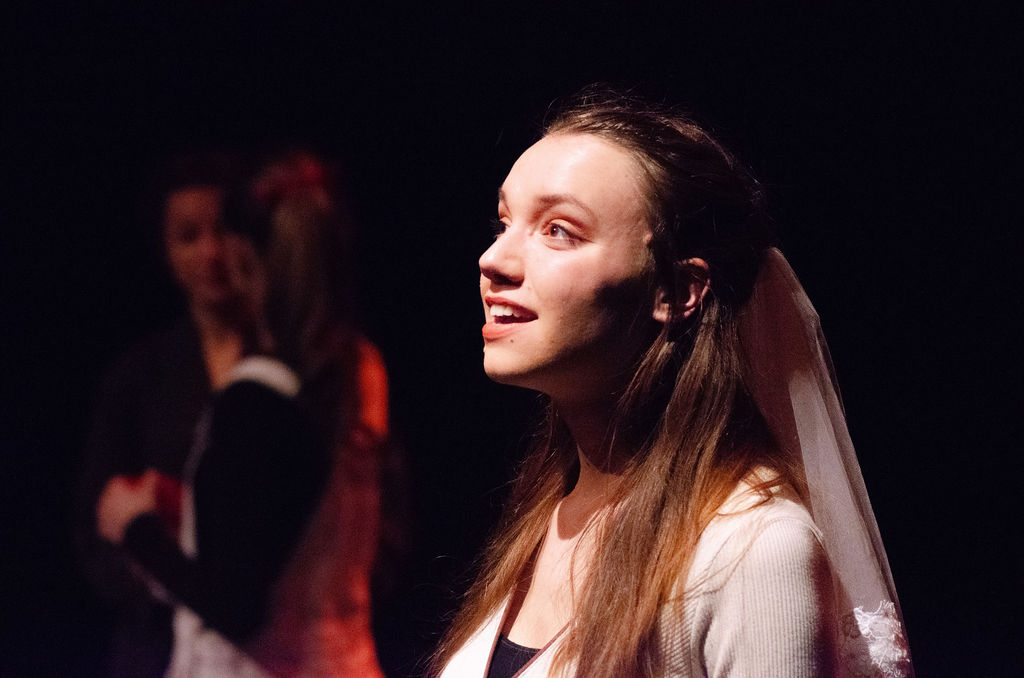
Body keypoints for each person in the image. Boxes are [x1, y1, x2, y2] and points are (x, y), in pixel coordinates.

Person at [433, 89, 912, 677]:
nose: (493, 260)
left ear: (679, 292)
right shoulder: (549, 513)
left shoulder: (751, 550)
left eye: (558, 230)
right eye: (504, 223)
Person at [96, 151, 389, 677]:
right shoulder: (359, 371)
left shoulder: (256, 401)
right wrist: (193, 513)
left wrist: (135, 527)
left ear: (248, 261)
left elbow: (237, 606)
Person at [77, 151, 252, 677]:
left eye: (224, 230)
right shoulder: (138, 375)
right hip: (157, 647)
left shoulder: (294, 364)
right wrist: (163, 569)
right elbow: (96, 529)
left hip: (270, 640)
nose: (211, 252)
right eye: (188, 236)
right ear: (165, 250)